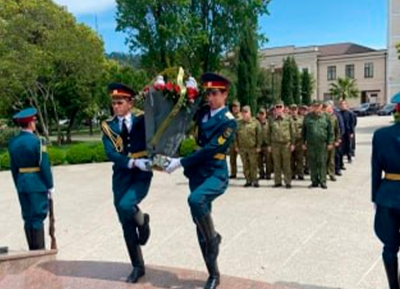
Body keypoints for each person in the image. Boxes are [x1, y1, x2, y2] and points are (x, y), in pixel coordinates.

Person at [165, 72, 237, 289]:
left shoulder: (229, 122)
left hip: (215, 172)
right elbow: (184, 114)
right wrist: (188, 94)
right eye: (208, 93)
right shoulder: (203, 111)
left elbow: (210, 149)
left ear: (225, 94)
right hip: (198, 173)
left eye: (215, 93)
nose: (211, 97)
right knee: (199, 225)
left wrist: (180, 162)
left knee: (196, 200)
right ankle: (213, 273)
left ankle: (214, 239)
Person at [101, 83, 152, 283]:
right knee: (125, 222)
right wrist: (130, 161)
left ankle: (143, 222)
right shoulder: (108, 126)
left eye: (120, 102)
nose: (116, 106)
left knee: (125, 205)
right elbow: (110, 152)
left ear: (130, 103)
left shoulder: (142, 119)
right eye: (113, 103)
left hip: (141, 174)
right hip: (122, 174)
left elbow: (158, 129)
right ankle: (138, 266)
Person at [8, 107, 54, 250]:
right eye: (34, 121)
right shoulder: (37, 142)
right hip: (37, 183)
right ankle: (39, 252)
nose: (35, 124)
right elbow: (44, 165)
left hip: (22, 183)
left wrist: (18, 184)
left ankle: (31, 250)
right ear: (31, 123)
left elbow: (13, 167)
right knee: (37, 217)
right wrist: (50, 185)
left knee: (27, 217)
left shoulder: (13, 142)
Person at [372, 103, 400, 289]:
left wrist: (375, 196)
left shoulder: (381, 135)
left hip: (388, 195)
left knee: (389, 247)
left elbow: (376, 170)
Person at [302, 100, 333, 189]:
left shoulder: (326, 117)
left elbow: (330, 131)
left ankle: (323, 181)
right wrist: (303, 142)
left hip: (322, 144)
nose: (316, 108)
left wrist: (330, 142)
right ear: (312, 107)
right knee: (312, 163)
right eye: (314, 106)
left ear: (321, 107)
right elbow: (304, 131)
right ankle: (314, 181)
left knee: (322, 162)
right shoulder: (307, 117)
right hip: (311, 144)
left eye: (318, 106)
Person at [267, 101, 295, 189]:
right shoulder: (271, 119)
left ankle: (288, 182)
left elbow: (292, 131)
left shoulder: (288, 119)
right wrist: (269, 145)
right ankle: (277, 181)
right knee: (276, 164)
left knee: (286, 164)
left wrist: (293, 143)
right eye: (277, 107)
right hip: (275, 144)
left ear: (283, 108)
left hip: (286, 144)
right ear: (275, 109)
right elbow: (268, 133)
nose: (278, 109)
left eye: (280, 107)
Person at [236, 106, 262, 187]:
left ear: (250, 113)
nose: (245, 114)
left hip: (252, 147)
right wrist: (236, 146)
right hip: (242, 148)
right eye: (243, 112)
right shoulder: (238, 123)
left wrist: (258, 146)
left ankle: (255, 180)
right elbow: (235, 136)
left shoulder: (255, 122)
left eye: (246, 112)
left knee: (253, 165)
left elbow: (259, 135)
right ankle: (248, 180)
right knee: (245, 165)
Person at [323, 101, 340, 181]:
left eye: (328, 108)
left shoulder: (334, 117)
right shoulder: (322, 117)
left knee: (331, 159)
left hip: (332, 141)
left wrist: (337, 139)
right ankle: (323, 174)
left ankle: (331, 174)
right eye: (325, 108)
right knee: (323, 158)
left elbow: (337, 129)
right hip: (323, 141)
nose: (327, 109)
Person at [289, 104, 305, 180]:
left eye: (295, 109)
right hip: (290, 141)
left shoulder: (302, 119)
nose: (294, 111)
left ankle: (300, 173)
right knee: (291, 159)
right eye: (292, 109)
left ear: (297, 110)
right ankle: (292, 173)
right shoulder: (287, 119)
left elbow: (305, 130)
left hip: (299, 141)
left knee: (300, 158)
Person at [257, 108, 273, 180]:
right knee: (259, 161)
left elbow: (272, 134)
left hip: (267, 145)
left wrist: (270, 145)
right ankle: (261, 174)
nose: (261, 115)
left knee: (268, 161)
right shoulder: (256, 124)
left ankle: (268, 174)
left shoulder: (269, 123)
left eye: (263, 114)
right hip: (259, 145)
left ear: (265, 115)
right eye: (260, 114)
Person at [339, 100, 355, 166]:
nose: (343, 106)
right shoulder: (339, 113)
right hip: (341, 132)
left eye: (344, 104)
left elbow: (353, 123)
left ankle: (349, 157)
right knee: (342, 145)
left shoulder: (350, 113)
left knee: (349, 144)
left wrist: (352, 132)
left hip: (348, 131)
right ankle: (341, 157)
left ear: (346, 105)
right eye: (341, 104)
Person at [228, 100, 241, 179]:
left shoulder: (242, 117)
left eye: (236, 107)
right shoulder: (229, 117)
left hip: (240, 141)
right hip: (232, 141)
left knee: (245, 159)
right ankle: (233, 173)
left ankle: (248, 175)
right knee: (232, 159)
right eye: (233, 107)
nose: (235, 108)